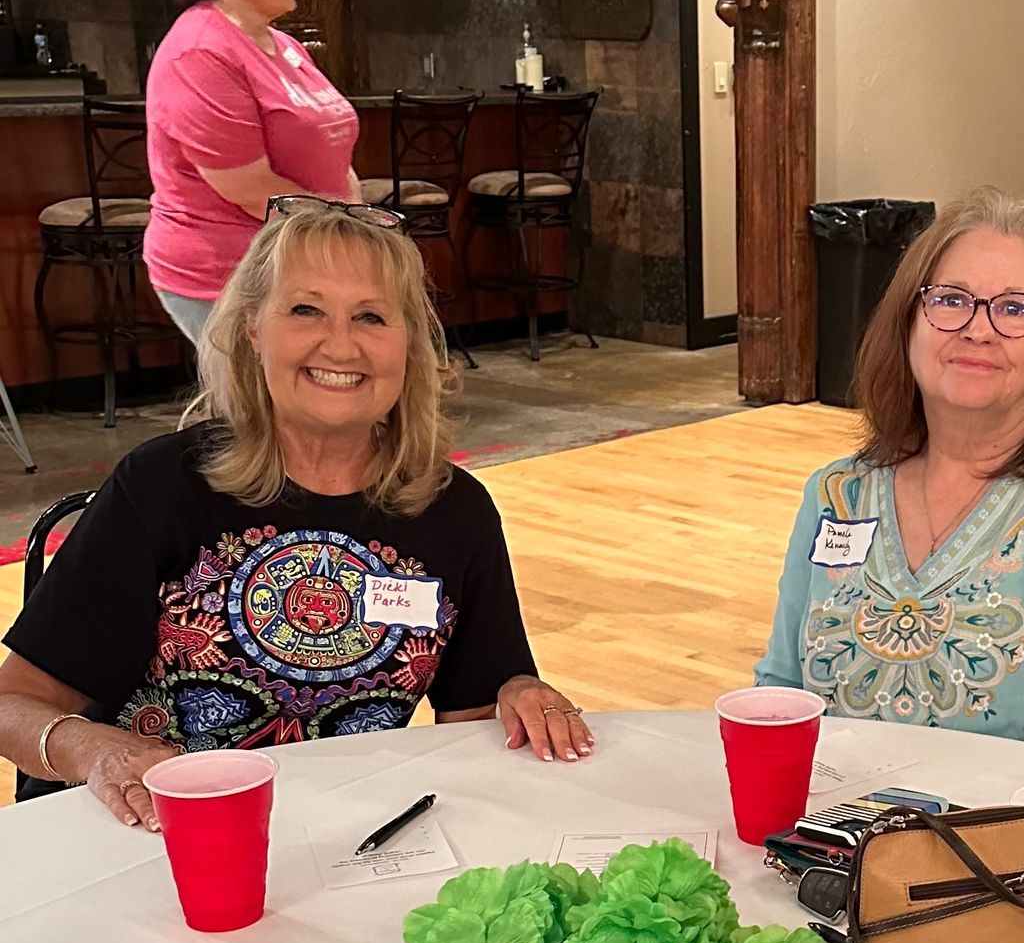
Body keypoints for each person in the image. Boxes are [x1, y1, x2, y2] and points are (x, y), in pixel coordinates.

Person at [0, 200, 591, 832]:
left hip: (341, 839)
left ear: (411, 346)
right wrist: (96, 750)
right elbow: (13, 702)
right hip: (138, 838)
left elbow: (475, 721)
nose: (340, 344)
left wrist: (520, 699)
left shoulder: (455, 511)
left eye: (371, 316)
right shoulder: (163, 487)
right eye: (306, 309)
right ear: (253, 327)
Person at [756, 187, 1024, 763]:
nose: (979, 329)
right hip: (828, 838)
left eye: (1016, 309)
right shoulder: (836, 494)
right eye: (951, 300)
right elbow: (779, 694)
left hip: (999, 845)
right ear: (907, 327)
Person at [144, 0, 362, 343]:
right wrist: (343, 230)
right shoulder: (201, 51)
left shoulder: (285, 45)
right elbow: (247, 187)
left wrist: (353, 224)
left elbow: (332, 151)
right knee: (257, 408)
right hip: (230, 275)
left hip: (303, 256)